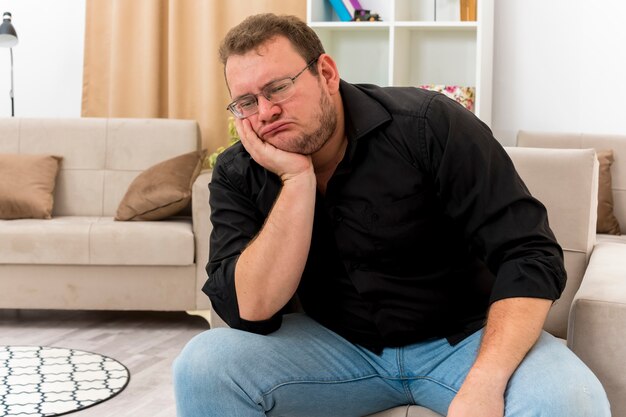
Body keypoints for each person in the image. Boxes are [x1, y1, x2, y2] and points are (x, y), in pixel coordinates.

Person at [173, 13, 610, 417]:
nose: (266, 112)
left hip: (466, 341)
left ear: (326, 73)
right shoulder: (238, 171)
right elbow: (250, 309)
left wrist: (485, 380)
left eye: (278, 88)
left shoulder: (428, 124)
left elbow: (529, 253)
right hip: (337, 347)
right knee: (203, 365)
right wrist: (297, 181)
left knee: (570, 399)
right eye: (246, 101)